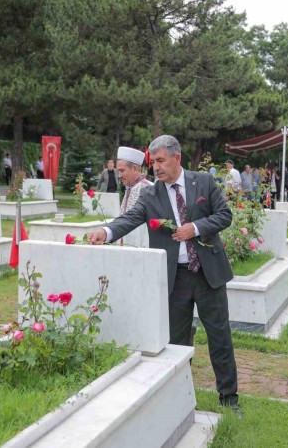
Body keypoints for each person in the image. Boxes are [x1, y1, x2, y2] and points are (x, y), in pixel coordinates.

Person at [87, 135, 240, 412]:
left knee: (220, 339)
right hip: (175, 279)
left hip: (209, 276)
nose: (156, 167)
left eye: (161, 161)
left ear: (176, 158)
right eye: (153, 162)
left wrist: (195, 228)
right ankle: (179, 397)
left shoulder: (203, 182)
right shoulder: (150, 194)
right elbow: (129, 219)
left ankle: (229, 399)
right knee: (176, 344)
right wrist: (105, 232)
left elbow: (224, 215)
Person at [115, 146, 153, 246]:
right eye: (118, 171)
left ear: (135, 169)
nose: (119, 176)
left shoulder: (149, 189)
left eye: (122, 171)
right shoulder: (129, 189)